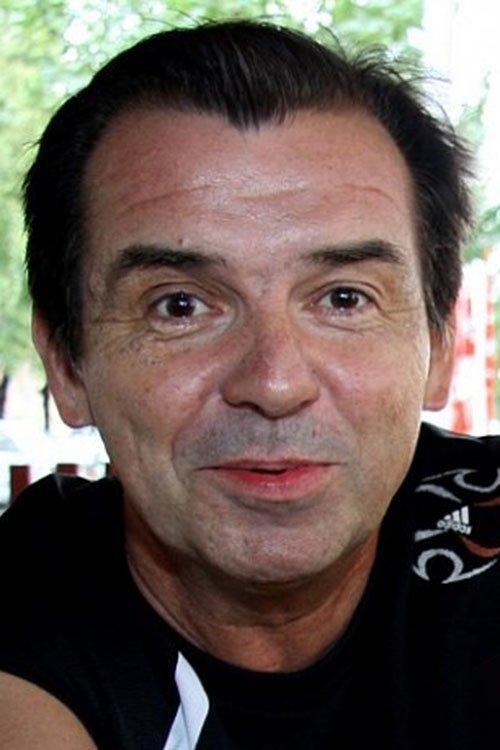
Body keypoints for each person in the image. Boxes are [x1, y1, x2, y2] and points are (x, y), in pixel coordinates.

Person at [0, 19, 499, 750]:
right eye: (179, 306)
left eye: (344, 299)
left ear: (438, 346)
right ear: (68, 366)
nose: (275, 382)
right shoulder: (29, 609)